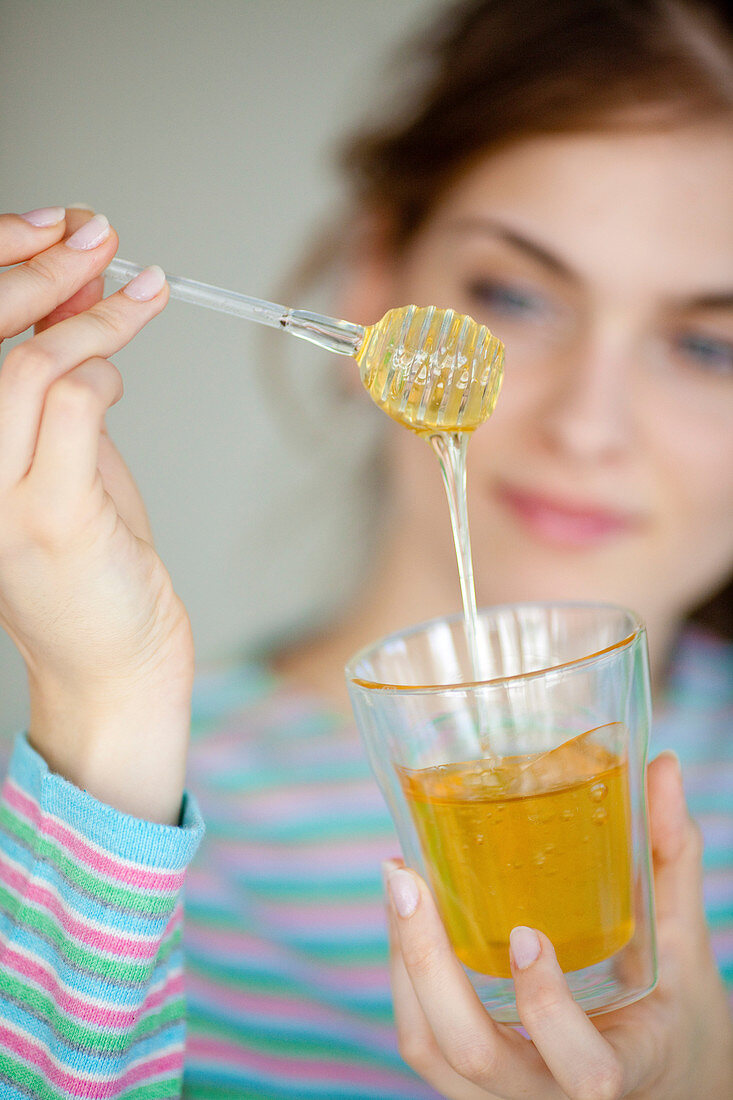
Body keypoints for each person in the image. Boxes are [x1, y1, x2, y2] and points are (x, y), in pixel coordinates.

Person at [0, 0, 731, 1096]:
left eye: (709, 344)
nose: (588, 425)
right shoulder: (98, 818)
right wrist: (107, 714)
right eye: (517, 295)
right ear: (375, 274)